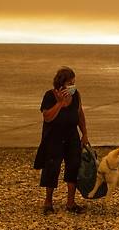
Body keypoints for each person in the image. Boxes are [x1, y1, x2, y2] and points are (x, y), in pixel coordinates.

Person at [33, 67, 89, 214]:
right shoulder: (50, 96)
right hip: (54, 137)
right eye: (70, 83)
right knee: (52, 168)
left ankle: (71, 203)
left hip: (72, 135)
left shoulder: (76, 95)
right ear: (61, 84)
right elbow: (47, 116)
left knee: (73, 166)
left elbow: (79, 113)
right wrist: (60, 104)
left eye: (74, 83)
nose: (72, 86)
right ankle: (48, 203)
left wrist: (85, 133)